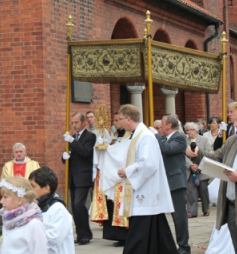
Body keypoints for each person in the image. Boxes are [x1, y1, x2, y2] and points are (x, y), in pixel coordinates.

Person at [187, 100, 237, 254]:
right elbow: (214, 157)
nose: (236, 125)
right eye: (234, 121)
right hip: (231, 209)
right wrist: (197, 152)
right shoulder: (233, 141)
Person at [115, 104, 177, 254]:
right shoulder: (137, 135)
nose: (119, 122)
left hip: (145, 194)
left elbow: (149, 164)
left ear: (129, 119)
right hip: (144, 192)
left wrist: (127, 171)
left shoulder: (145, 137)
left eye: (120, 119)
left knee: (139, 236)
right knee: (159, 234)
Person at [90, 110, 130, 247]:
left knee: (121, 205)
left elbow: (122, 153)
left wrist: (108, 149)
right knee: (112, 205)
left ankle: (125, 236)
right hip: (111, 174)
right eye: (113, 120)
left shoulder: (128, 136)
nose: (114, 122)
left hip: (121, 176)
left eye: (117, 120)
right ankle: (116, 235)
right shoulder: (115, 135)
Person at [154, 114, 190, 254]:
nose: (161, 127)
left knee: (179, 216)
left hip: (175, 182)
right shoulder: (164, 139)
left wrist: (157, 136)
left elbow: (168, 149)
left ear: (169, 125)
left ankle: (184, 247)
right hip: (163, 182)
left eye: (162, 124)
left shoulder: (179, 137)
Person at [60, 112, 95, 245]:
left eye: (76, 122)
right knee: (74, 208)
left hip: (83, 176)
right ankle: (80, 234)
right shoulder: (72, 137)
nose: (74, 125)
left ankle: (86, 233)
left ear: (83, 123)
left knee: (78, 204)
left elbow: (85, 152)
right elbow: (68, 157)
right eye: (72, 123)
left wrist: (72, 141)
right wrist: (64, 157)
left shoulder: (90, 136)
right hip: (73, 176)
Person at [29, 166, 75, 254]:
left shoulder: (58, 209)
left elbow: (52, 240)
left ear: (46, 188)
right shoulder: (34, 207)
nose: (30, 190)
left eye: (33, 186)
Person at [0, 176, 47, 254]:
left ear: (19, 200)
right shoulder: (8, 221)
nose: (1, 201)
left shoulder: (34, 225)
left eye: (5, 197)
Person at [184, 122, 212, 218]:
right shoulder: (184, 141)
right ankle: (191, 211)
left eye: (191, 129)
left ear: (196, 130)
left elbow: (208, 153)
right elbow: (183, 156)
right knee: (190, 191)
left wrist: (199, 166)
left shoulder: (204, 140)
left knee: (203, 190)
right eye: (187, 130)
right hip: (190, 169)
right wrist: (191, 165)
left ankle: (206, 208)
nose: (189, 132)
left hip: (202, 169)